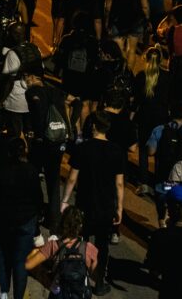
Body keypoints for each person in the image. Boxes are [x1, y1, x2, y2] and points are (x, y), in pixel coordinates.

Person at [61, 111, 124, 295]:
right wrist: (119, 207)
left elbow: (72, 178)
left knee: (82, 241)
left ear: (94, 127)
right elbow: (119, 183)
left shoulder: (83, 148)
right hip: (106, 206)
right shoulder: (116, 151)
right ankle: (100, 281)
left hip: (84, 204)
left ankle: (82, 276)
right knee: (102, 245)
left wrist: (65, 201)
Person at [0, 137, 43, 299]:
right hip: (26, 222)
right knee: (20, 262)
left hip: (4, 221)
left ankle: (4, 292)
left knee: (4, 258)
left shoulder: (0, 170)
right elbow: (38, 198)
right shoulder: (31, 171)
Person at [25, 206, 99, 298]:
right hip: (80, 294)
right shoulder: (89, 248)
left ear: (62, 224)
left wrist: (42, 275)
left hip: (59, 293)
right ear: (80, 226)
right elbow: (92, 271)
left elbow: (28, 265)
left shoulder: (53, 245)